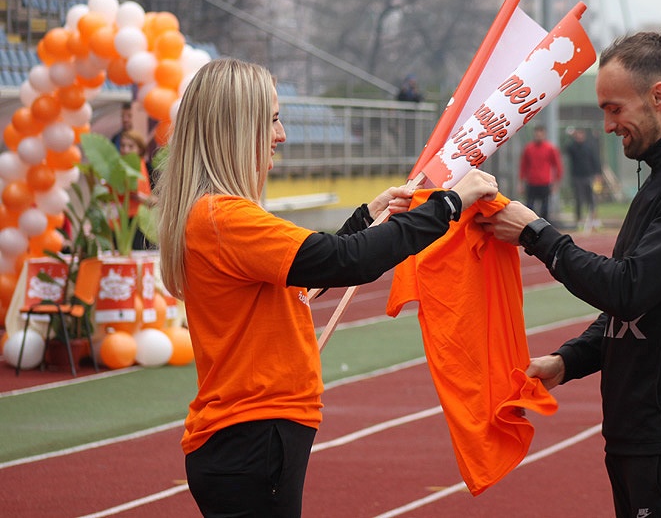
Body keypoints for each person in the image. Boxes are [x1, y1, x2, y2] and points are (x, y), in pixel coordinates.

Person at [155, 57, 498, 518]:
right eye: (273, 120)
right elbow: (344, 261)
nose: (281, 135)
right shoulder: (224, 217)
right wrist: (447, 205)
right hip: (253, 435)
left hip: (252, 436)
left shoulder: (216, 215)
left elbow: (309, 272)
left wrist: (365, 217)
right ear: (238, 127)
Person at [477, 32, 661, 518]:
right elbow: (639, 307)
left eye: (614, 108)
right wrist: (567, 361)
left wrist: (536, 234)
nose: (607, 125)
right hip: (646, 433)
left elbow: (628, 289)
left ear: (659, 96)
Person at [117, 129, 153, 250]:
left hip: (141, 223)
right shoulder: (115, 169)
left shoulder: (149, 169)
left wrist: (143, 198)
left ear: (140, 149)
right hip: (120, 221)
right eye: (122, 145)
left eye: (130, 146)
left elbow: (161, 200)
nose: (125, 150)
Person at [518, 125, 562, 220]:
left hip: (545, 183)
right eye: (537, 134)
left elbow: (557, 166)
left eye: (540, 134)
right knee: (529, 207)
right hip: (531, 182)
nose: (538, 136)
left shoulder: (550, 148)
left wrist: (556, 183)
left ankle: (544, 229)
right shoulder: (529, 148)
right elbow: (523, 166)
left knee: (545, 208)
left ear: (544, 134)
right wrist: (521, 183)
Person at [564, 127, 601, 231]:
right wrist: (570, 137)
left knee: (592, 199)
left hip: (589, 176)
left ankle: (593, 220)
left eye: (581, 134)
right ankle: (579, 220)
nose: (579, 136)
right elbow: (566, 149)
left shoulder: (589, 147)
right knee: (579, 199)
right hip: (577, 176)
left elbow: (595, 159)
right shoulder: (573, 147)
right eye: (577, 134)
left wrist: (597, 173)